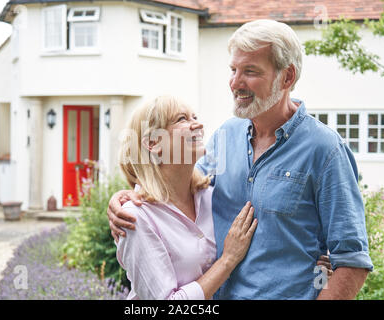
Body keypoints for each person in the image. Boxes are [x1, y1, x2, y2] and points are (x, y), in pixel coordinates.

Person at [109, 19, 367, 300]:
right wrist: (125, 197)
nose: (235, 83)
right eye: (233, 70)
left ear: (287, 77)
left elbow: (351, 261)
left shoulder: (325, 150)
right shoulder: (225, 137)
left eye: (250, 72)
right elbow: (181, 185)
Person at [116, 95, 258, 300]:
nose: (198, 124)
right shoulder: (135, 217)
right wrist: (228, 260)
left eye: (195, 117)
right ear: (153, 143)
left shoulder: (213, 198)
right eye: (182, 119)